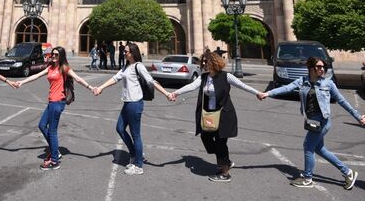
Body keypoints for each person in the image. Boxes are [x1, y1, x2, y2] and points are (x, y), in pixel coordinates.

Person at [260, 56, 365, 190]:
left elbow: (343, 101)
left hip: (322, 121)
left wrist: (358, 117)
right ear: (310, 68)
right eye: (319, 67)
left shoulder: (328, 83)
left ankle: (308, 178)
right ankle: (348, 172)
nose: (322, 69)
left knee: (308, 146)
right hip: (311, 121)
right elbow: (287, 88)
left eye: (323, 67)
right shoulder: (303, 81)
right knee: (319, 149)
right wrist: (267, 93)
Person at [169, 51, 264, 183]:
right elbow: (191, 86)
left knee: (220, 143)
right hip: (210, 114)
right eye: (202, 62)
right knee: (205, 137)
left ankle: (224, 173)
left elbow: (242, 85)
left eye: (206, 61)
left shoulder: (226, 76)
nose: (203, 64)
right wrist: (176, 93)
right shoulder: (204, 77)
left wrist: (257, 93)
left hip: (224, 114)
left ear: (214, 62)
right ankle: (226, 160)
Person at [94, 43, 172, 175]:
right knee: (119, 128)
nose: (124, 53)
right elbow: (115, 78)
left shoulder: (138, 66)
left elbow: (151, 81)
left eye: (126, 52)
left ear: (133, 53)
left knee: (136, 134)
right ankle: (135, 153)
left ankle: (138, 165)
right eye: (124, 52)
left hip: (135, 103)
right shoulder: (126, 66)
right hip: (127, 103)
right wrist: (101, 87)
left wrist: (167, 94)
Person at [15, 46, 95, 171]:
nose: (54, 56)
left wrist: (91, 87)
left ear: (61, 56)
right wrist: (22, 82)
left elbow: (78, 79)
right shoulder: (50, 67)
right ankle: (54, 150)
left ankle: (54, 161)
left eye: (56, 55)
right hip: (51, 102)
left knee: (52, 131)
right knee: (42, 125)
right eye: (53, 54)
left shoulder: (64, 68)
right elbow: (36, 76)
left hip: (58, 102)